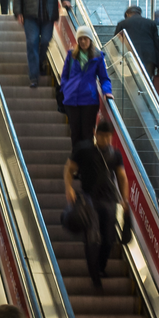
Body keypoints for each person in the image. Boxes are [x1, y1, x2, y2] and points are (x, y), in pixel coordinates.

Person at [63, 119, 126, 291]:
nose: (104, 140)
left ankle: (100, 267)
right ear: (95, 134)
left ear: (112, 137)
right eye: (101, 136)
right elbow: (69, 168)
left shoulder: (115, 154)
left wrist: (124, 199)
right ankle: (95, 276)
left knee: (109, 238)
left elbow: (121, 177)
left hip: (109, 200)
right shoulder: (83, 150)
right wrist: (69, 188)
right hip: (89, 198)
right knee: (92, 238)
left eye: (107, 137)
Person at [13, 0, 67, 88]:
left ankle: (40, 61)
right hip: (30, 16)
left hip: (48, 16)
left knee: (45, 42)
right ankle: (34, 77)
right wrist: (18, 12)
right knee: (32, 42)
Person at [58, 31, 112, 145]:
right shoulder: (71, 55)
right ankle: (76, 161)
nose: (83, 41)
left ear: (90, 40)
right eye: (80, 39)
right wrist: (65, 89)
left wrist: (107, 91)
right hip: (72, 100)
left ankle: (86, 161)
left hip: (89, 100)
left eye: (85, 39)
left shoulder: (97, 57)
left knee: (87, 134)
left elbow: (104, 78)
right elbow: (65, 76)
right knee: (75, 133)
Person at [116, 4, 159, 79]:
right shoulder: (151, 23)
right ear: (140, 13)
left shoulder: (122, 24)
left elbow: (116, 43)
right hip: (149, 58)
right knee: (147, 83)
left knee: (132, 84)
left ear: (127, 14)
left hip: (129, 57)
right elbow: (157, 46)